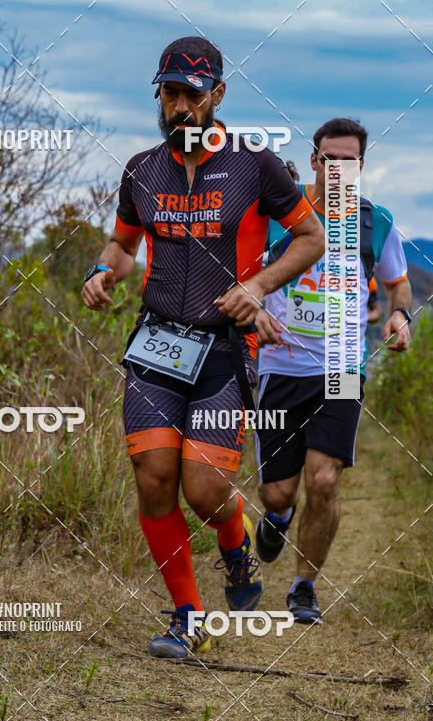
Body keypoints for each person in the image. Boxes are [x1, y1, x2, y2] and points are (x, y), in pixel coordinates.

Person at [81, 36, 324, 657]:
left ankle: (237, 541)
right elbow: (123, 243)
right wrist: (102, 271)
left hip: (223, 350)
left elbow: (310, 237)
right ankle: (187, 619)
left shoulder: (254, 164)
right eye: (170, 94)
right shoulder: (141, 169)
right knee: (154, 477)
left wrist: (259, 285)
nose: (181, 107)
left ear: (218, 94)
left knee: (204, 489)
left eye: (194, 94)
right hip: (157, 342)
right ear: (158, 96)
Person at [253, 118, 412, 624]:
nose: (339, 167)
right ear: (316, 159)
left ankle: (303, 587)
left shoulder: (377, 222)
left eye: (349, 160)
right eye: (329, 159)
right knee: (278, 490)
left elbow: (398, 284)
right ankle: (277, 515)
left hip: (342, 368)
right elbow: (243, 271)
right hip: (281, 368)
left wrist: (399, 315)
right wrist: (255, 308)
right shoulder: (279, 211)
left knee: (324, 480)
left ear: (361, 165)